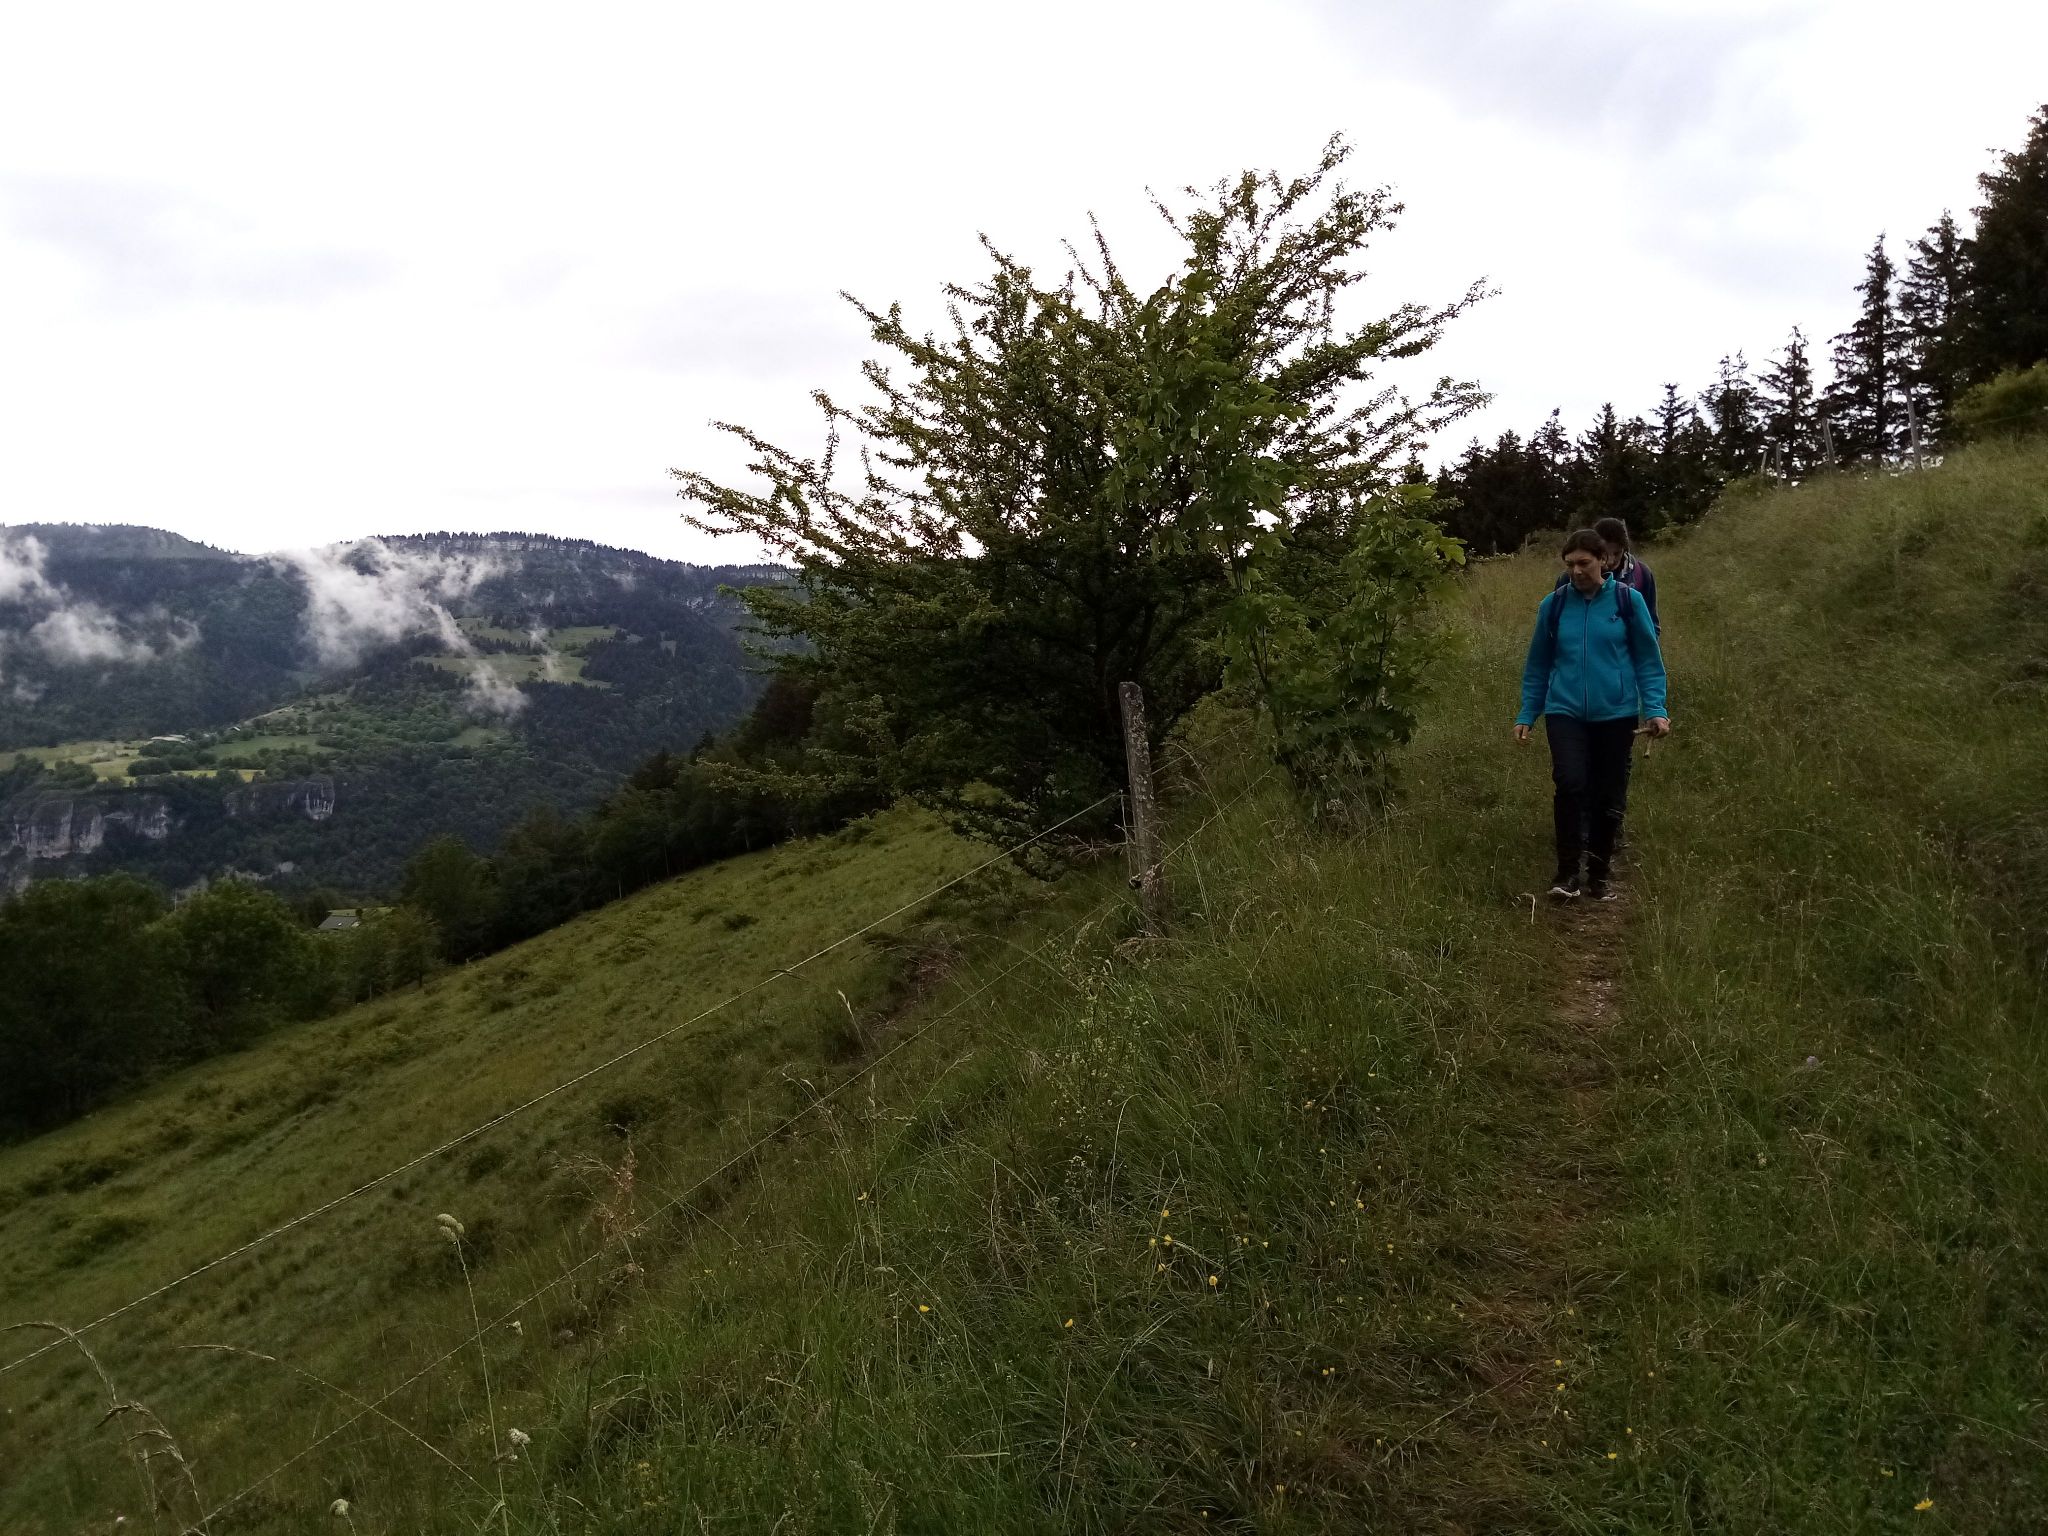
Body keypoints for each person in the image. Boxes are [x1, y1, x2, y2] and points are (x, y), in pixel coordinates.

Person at [1516, 529, 1671, 900]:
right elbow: (1538, 665)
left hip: (1615, 713)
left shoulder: (1627, 601)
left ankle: (1598, 877)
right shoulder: (1552, 606)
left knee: (1607, 793)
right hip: (1564, 710)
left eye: (1584, 563)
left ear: (1604, 560)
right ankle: (1566, 874)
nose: (1577, 571)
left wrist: (1655, 709)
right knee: (1570, 783)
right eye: (1570, 564)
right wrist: (1527, 713)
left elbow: (1648, 661)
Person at [1555, 517, 1660, 631]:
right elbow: (1556, 622)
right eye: (1605, 553)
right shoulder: (1572, 577)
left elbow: (1652, 624)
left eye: (1617, 553)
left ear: (1625, 549)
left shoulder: (1641, 574)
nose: (1610, 560)